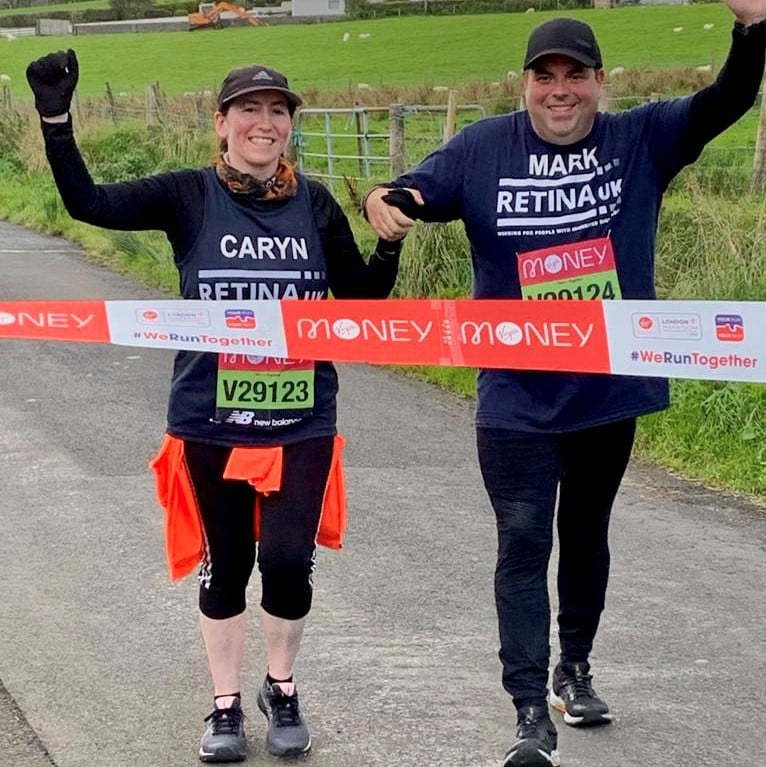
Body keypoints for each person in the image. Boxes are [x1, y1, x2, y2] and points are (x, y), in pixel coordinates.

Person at [364, 5, 766, 766]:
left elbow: (728, 102)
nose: (559, 90)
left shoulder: (639, 138)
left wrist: (752, 29)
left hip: (605, 395)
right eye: (544, 77)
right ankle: (527, 714)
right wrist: (383, 202)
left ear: (598, 83)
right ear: (525, 84)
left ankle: (572, 669)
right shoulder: (484, 148)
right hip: (515, 396)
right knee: (522, 540)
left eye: (574, 76)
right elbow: (413, 191)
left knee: (585, 535)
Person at [26, 52, 401, 764]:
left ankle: (281, 688)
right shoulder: (189, 196)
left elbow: (359, 304)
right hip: (209, 416)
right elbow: (89, 204)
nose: (265, 122)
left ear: (290, 126)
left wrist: (387, 249)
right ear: (222, 123)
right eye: (250, 110)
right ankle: (225, 705)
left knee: (288, 561)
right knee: (227, 564)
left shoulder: (315, 203)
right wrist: (55, 120)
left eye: (278, 110)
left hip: (301, 416)